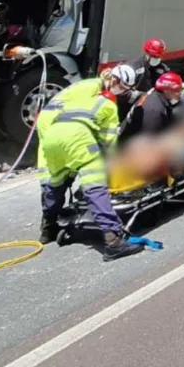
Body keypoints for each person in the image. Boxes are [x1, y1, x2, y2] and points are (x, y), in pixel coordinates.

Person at [37, 63, 145, 261]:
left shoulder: (85, 96)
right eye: (121, 86)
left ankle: (48, 228)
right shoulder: (105, 102)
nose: (120, 90)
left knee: (54, 181)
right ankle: (113, 242)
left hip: (53, 134)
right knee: (95, 186)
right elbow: (108, 142)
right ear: (114, 80)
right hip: (74, 136)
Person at [120, 72, 184, 141]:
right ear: (167, 91)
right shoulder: (154, 111)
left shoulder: (152, 93)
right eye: (178, 91)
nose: (180, 94)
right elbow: (150, 142)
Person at [123, 38, 170, 120]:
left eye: (159, 56)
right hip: (129, 109)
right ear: (147, 54)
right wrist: (144, 96)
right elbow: (123, 92)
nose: (157, 58)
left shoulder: (164, 70)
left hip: (150, 109)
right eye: (154, 56)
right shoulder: (133, 67)